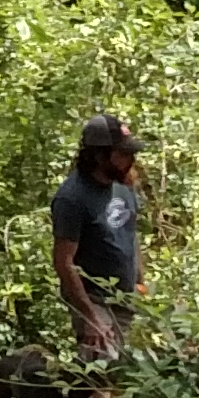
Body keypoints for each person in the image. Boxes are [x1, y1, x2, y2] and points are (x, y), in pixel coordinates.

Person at [50, 114, 144, 361]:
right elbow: (64, 262)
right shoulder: (72, 198)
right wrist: (89, 316)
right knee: (102, 371)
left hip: (127, 297)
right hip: (96, 301)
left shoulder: (124, 185)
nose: (131, 159)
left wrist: (141, 282)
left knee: (131, 375)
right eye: (122, 154)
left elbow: (130, 234)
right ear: (99, 155)